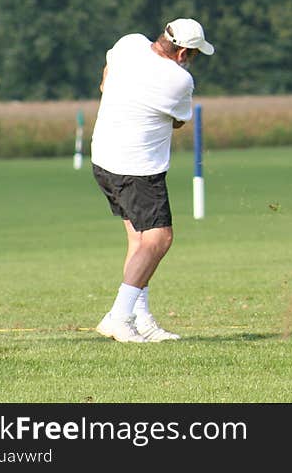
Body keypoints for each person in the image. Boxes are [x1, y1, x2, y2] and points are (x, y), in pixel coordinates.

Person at [90, 18, 214, 342]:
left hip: (104, 159)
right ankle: (118, 317)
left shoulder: (129, 43)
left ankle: (139, 318)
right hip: (138, 168)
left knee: (139, 242)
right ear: (184, 52)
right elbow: (176, 123)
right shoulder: (179, 80)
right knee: (159, 239)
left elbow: (105, 81)